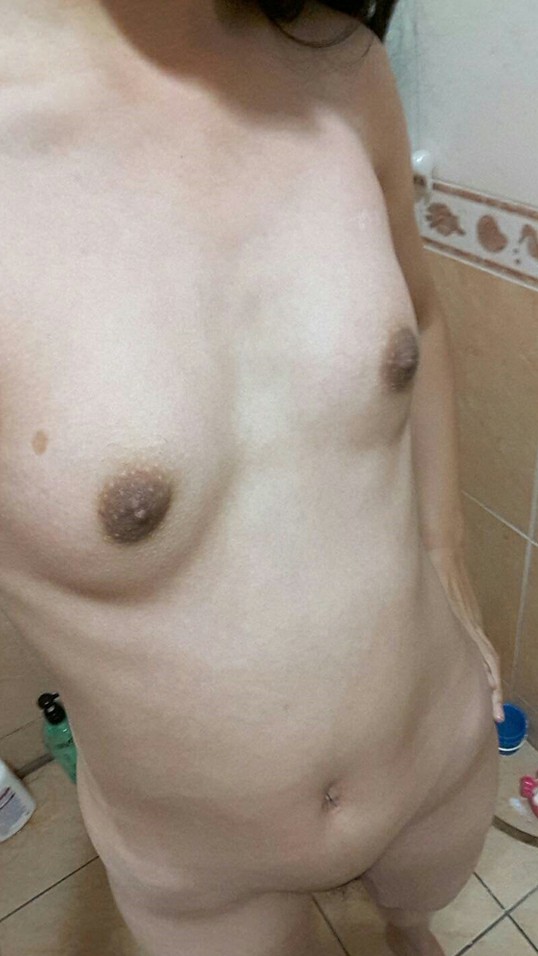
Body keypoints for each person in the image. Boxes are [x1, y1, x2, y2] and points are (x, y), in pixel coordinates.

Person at [0, 2, 503, 954]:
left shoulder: (337, 58)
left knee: (421, 929)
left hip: (435, 752)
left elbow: (424, 314)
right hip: (195, 860)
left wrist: (450, 549)